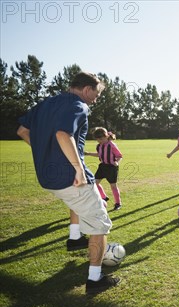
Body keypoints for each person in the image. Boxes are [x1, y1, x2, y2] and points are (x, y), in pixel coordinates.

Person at [16, 72, 119, 294]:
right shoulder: (79, 105)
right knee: (100, 225)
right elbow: (64, 134)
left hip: (47, 177)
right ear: (87, 89)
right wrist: (79, 169)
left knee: (80, 209)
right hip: (70, 177)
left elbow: (23, 131)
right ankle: (95, 279)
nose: (97, 98)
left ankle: (74, 238)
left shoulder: (46, 103)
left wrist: (46, 152)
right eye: (97, 93)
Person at [84, 127, 123, 211]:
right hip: (102, 166)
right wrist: (89, 153)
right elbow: (99, 154)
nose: (99, 141)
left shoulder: (111, 145)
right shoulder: (99, 146)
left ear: (106, 136)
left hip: (112, 167)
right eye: (97, 140)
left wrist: (117, 162)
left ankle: (118, 203)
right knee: (95, 183)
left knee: (113, 186)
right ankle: (104, 197)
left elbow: (119, 156)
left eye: (101, 139)